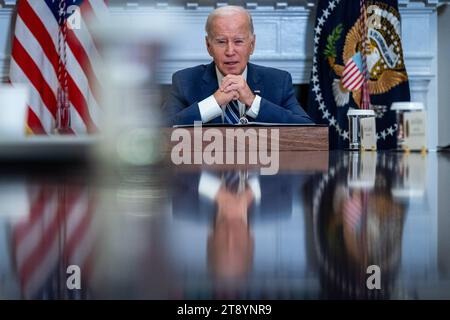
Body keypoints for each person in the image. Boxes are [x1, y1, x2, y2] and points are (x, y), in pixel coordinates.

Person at [163, 5, 313, 126]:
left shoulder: (278, 81)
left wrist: (253, 102)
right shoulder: (184, 81)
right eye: (221, 42)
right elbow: (161, 132)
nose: (230, 51)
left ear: (252, 44)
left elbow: (307, 129)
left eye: (238, 41)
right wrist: (213, 103)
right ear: (209, 46)